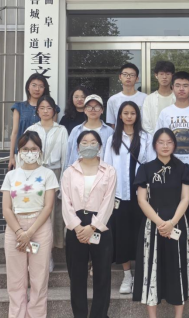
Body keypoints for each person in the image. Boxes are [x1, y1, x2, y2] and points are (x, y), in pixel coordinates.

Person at [132, 128, 189, 318]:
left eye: (169, 142)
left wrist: (172, 222)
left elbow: (185, 198)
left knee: (178, 266)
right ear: (155, 145)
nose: (165, 146)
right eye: (161, 142)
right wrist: (161, 223)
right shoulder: (145, 169)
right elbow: (142, 200)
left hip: (178, 223)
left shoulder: (182, 168)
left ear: (174, 145)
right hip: (152, 224)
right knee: (151, 267)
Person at [1, 131, 59, 318]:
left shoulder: (48, 174)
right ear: (19, 151)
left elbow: (48, 206)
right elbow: (6, 208)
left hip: (39, 227)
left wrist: (29, 232)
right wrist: (20, 231)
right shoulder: (11, 175)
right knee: (15, 279)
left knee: (39, 278)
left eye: (34, 149)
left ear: (40, 151)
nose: (29, 152)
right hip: (14, 228)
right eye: (25, 149)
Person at [61, 131, 117, 318]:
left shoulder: (109, 171)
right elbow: (66, 202)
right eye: (84, 142)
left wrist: (92, 227)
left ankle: (99, 315)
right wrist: (78, 227)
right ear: (78, 147)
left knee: (102, 275)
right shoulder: (69, 172)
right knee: (77, 276)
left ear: (100, 147)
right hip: (76, 226)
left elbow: (108, 202)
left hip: (100, 225)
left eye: (93, 142)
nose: (89, 145)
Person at [103, 101, 154, 294]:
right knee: (122, 236)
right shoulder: (113, 139)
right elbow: (107, 167)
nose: (129, 116)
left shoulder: (146, 138)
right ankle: (127, 276)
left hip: (142, 195)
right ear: (120, 116)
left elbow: (151, 164)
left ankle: (142, 275)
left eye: (133, 113)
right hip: (120, 195)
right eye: (126, 113)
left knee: (142, 235)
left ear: (137, 116)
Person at [155, 71, 189, 234]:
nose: (181, 89)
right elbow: (159, 140)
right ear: (172, 88)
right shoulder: (166, 112)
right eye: (178, 85)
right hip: (170, 166)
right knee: (171, 205)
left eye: (185, 85)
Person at [25, 95, 69, 251]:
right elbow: (24, 155)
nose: (45, 111)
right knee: (35, 210)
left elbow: (65, 158)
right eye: (42, 108)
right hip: (35, 173)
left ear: (54, 110)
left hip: (55, 172)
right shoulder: (31, 130)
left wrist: (63, 181)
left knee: (55, 211)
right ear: (37, 110)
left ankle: (52, 248)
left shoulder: (61, 130)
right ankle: (36, 245)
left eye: (49, 108)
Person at [9, 73, 60, 170]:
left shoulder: (52, 108)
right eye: (34, 85)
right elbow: (14, 132)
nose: (37, 89)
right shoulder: (19, 107)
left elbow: (52, 133)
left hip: (43, 155)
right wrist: (11, 156)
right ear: (28, 87)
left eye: (41, 86)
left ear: (44, 89)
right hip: (22, 153)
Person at [66, 94, 114, 169]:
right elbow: (68, 153)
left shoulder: (109, 131)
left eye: (97, 107)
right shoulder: (76, 130)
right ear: (84, 110)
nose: (93, 110)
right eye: (89, 107)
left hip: (102, 172)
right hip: (78, 171)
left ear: (102, 110)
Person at [106, 63, 147, 129]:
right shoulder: (113, 100)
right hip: (119, 134)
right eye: (125, 74)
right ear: (120, 77)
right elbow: (112, 124)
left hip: (140, 134)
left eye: (132, 75)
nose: (128, 77)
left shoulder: (145, 98)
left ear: (137, 79)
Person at [142, 61, 176, 133]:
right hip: (154, 138)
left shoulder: (177, 98)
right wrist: (156, 137)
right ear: (156, 75)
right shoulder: (149, 99)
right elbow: (145, 124)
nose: (164, 77)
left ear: (172, 76)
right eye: (161, 74)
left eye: (168, 74)